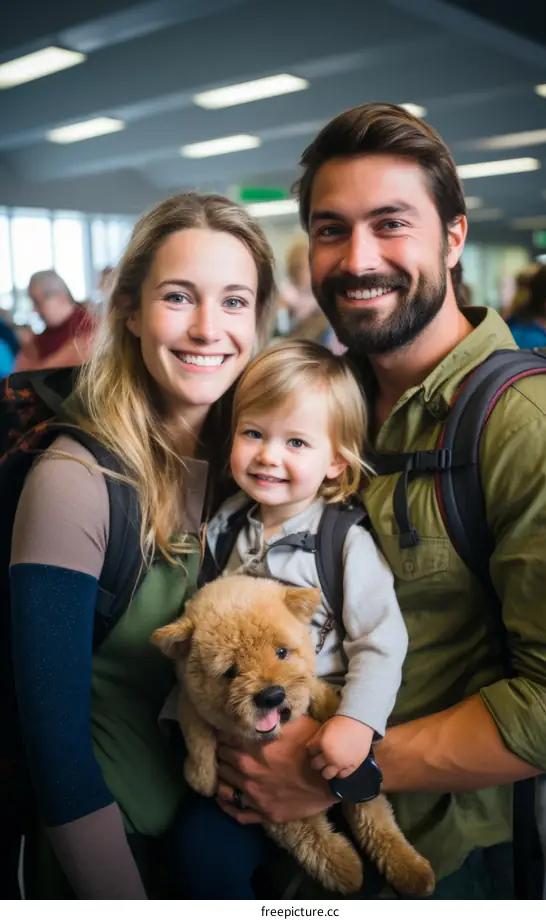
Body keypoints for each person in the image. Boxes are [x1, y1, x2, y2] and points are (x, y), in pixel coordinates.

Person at [212, 103, 546, 899]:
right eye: (330, 229)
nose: (358, 259)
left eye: (391, 224)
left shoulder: (531, 424)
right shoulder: (330, 404)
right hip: (281, 849)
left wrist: (334, 771)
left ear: (453, 238)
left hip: (437, 863)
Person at [9, 192, 276, 898]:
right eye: (179, 297)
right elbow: (58, 760)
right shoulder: (74, 482)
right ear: (128, 308)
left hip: (217, 849)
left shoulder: (259, 472)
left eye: (234, 302)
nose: (207, 329)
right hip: (108, 861)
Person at [167, 339, 407, 898]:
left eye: (295, 441)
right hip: (239, 731)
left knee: (348, 872)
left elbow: (381, 640)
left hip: (321, 725)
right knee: (201, 856)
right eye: (254, 433)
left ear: (335, 462)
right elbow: (202, 646)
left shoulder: (343, 540)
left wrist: (358, 723)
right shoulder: (225, 527)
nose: (269, 456)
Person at [14, 270, 97, 371]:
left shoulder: (92, 332)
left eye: (38, 302)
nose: (35, 310)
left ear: (61, 297)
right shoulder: (37, 344)